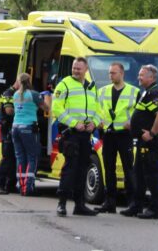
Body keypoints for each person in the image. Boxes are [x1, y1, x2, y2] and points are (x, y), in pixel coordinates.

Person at [51, 57, 101, 217]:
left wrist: (94, 122)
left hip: (86, 135)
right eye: (74, 68)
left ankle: (79, 205)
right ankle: (62, 203)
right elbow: (56, 108)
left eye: (79, 68)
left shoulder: (91, 88)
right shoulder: (64, 84)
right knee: (70, 169)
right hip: (71, 134)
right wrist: (73, 123)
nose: (75, 71)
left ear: (86, 69)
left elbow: (99, 110)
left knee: (82, 169)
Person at [121, 64, 158, 220]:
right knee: (139, 174)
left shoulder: (153, 92)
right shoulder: (148, 92)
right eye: (139, 74)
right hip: (143, 142)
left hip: (150, 142)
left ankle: (155, 210)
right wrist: (134, 124)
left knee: (152, 175)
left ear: (151, 77)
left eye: (142, 75)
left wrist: (152, 133)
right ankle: (137, 206)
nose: (138, 77)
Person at [96, 62, 139, 214]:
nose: (110, 76)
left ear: (122, 73)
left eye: (113, 73)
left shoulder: (134, 92)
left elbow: (140, 112)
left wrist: (133, 124)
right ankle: (110, 202)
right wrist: (98, 122)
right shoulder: (102, 91)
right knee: (109, 169)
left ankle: (132, 203)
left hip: (124, 135)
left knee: (129, 169)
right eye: (109, 73)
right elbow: (97, 109)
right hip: (108, 134)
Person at [11, 73, 47, 196]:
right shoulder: (34, 94)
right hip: (28, 128)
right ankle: (28, 187)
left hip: (15, 128)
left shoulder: (15, 94)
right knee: (32, 157)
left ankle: (21, 186)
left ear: (19, 82)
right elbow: (46, 108)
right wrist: (45, 98)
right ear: (29, 81)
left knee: (20, 157)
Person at [0, 87, 17, 195]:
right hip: (7, 129)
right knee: (7, 158)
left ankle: (10, 185)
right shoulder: (8, 93)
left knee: (13, 159)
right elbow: (9, 111)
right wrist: (22, 110)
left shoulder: (19, 93)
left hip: (13, 129)